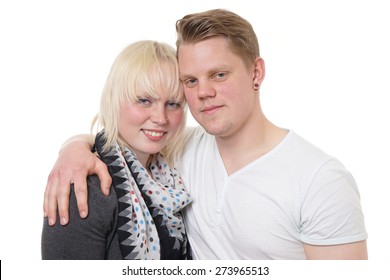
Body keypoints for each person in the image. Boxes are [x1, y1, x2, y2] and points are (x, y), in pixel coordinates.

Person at [43, 9, 368, 260]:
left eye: (219, 74)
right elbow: (123, 138)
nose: (204, 92)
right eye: (191, 81)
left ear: (256, 73)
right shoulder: (178, 151)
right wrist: (74, 148)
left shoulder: (321, 180)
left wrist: (74, 147)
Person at [41, 40, 192, 260]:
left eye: (173, 104)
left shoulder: (170, 177)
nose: (160, 118)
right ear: (114, 99)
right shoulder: (87, 187)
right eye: (144, 100)